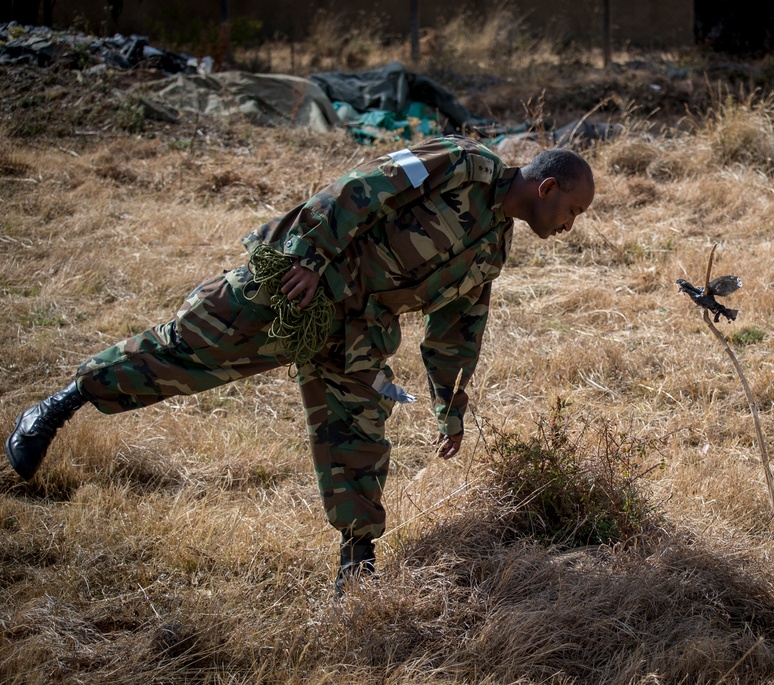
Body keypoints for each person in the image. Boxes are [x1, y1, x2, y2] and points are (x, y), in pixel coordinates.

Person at [5, 134, 595, 594]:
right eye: (573, 210)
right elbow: (363, 186)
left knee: (356, 435)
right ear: (547, 188)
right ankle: (60, 406)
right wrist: (310, 255)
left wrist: (449, 407)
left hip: (355, 334)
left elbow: (459, 332)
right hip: (298, 284)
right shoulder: (464, 163)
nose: (571, 226)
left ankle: (357, 566)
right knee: (185, 348)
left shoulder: (492, 249)